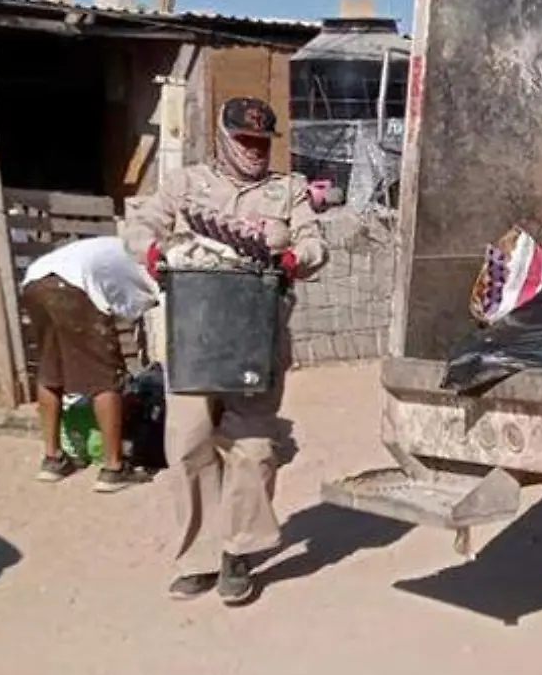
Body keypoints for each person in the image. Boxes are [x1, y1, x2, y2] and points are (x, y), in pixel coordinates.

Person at [123, 96, 326, 606]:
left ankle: (238, 553)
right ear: (222, 136)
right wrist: (151, 252)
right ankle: (199, 558)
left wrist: (293, 257)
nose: (255, 151)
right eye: (245, 140)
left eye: (262, 142)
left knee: (253, 450)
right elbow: (141, 225)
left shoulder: (288, 190)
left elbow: (314, 244)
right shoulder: (186, 184)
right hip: (194, 337)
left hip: (257, 339)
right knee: (189, 445)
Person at [20, 234, 160, 492]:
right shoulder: (144, 266)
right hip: (72, 286)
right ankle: (114, 469)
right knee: (105, 376)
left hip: (34, 282)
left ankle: (53, 460)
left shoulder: (119, 246)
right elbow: (138, 306)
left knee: (51, 370)